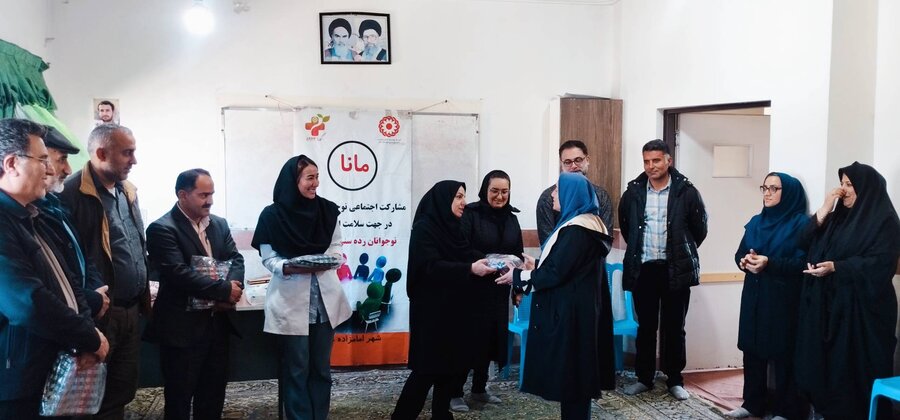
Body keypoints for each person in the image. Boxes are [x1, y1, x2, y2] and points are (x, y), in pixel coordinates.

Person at [0, 118, 109, 417]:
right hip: (15, 382)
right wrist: (87, 337)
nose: (49, 169)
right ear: (11, 164)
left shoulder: (31, 215)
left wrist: (85, 331)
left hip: (45, 368)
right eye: (42, 160)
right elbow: (28, 302)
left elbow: (69, 283)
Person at [496, 172, 615, 420]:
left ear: (572, 194)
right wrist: (536, 266)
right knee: (575, 381)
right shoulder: (586, 225)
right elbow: (569, 266)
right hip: (578, 311)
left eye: (558, 190)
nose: (552, 194)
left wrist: (517, 276)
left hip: (572, 316)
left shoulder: (577, 230)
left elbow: (556, 273)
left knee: (573, 382)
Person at [794, 162, 900, 419]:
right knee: (829, 371)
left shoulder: (883, 221)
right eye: (841, 183)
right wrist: (824, 209)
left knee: (856, 371)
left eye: (850, 184)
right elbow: (803, 241)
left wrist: (838, 267)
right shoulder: (836, 218)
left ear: (866, 188)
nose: (842, 190)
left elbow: (881, 263)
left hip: (863, 313)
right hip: (831, 307)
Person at [251, 155, 352, 420]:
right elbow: (268, 257)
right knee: (296, 370)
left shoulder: (328, 211)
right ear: (293, 181)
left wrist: (331, 260)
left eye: (317, 177)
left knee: (321, 369)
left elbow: (336, 247)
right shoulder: (272, 215)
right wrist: (288, 267)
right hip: (290, 301)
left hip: (324, 305)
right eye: (310, 178)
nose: (315, 183)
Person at [60, 123, 148, 419]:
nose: (134, 160)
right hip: (101, 314)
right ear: (101, 153)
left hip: (131, 310)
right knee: (91, 397)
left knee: (121, 392)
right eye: (127, 153)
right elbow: (71, 261)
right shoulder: (72, 194)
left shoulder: (127, 190)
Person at [145, 169, 245, 420]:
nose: (210, 201)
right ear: (182, 195)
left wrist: (233, 286)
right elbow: (178, 274)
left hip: (218, 326)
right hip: (182, 330)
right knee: (179, 399)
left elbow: (235, 259)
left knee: (212, 397)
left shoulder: (219, 224)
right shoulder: (161, 229)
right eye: (203, 195)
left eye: (212, 194)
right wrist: (224, 291)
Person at [392, 180, 496, 420]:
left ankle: (441, 415)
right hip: (431, 313)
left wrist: (493, 260)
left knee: (451, 368)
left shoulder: (454, 227)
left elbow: (464, 253)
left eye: (464, 196)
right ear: (443, 199)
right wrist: (469, 269)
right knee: (426, 371)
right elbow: (430, 267)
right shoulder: (424, 229)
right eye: (458, 196)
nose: (464, 202)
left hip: (455, 311)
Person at [619, 139, 707, 400]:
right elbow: (627, 227)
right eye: (646, 161)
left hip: (674, 270)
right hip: (644, 269)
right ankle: (644, 378)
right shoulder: (633, 192)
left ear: (669, 160)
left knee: (675, 327)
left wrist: (680, 252)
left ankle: (675, 380)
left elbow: (698, 230)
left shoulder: (686, 192)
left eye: (656, 160)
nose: (651, 166)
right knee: (646, 327)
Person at [727, 172, 810, 420]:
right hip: (754, 294)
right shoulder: (756, 222)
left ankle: (786, 410)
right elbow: (739, 253)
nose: (767, 193)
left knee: (783, 352)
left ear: (789, 193)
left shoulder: (800, 225)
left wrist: (769, 263)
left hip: (783, 298)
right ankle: (752, 403)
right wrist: (745, 261)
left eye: (774, 188)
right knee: (751, 348)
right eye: (765, 187)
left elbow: (803, 263)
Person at [449, 170, 523, 412]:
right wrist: (492, 261)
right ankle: (454, 392)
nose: (500, 197)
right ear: (485, 190)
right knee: (467, 341)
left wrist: (518, 289)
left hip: (499, 290)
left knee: (491, 341)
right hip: (472, 289)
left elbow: (518, 254)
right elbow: (461, 247)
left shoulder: (512, 218)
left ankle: (479, 389)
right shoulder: (471, 214)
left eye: (505, 192)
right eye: (494, 191)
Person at [37, 125, 110, 320]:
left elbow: (84, 255)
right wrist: (90, 299)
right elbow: (45, 282)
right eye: (61, 159)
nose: (68, 169)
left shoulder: (57, 204)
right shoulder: (27, 214)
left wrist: (97, 291)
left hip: (83, 312)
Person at [536, 140, 613, 244]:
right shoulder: (549, 197)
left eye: (578, 160)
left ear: (587, 160)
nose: (573, 166)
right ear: (561, 164)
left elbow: (606, 239)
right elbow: (547, 242)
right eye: (568, 162)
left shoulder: (601, 196)